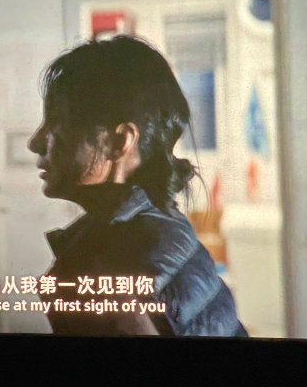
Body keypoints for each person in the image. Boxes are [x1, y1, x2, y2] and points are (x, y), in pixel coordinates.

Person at [28, 35, 247, 337]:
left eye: (56, 124)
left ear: (120, 142)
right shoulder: (154, 228)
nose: (35, 142)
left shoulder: (117, 261)